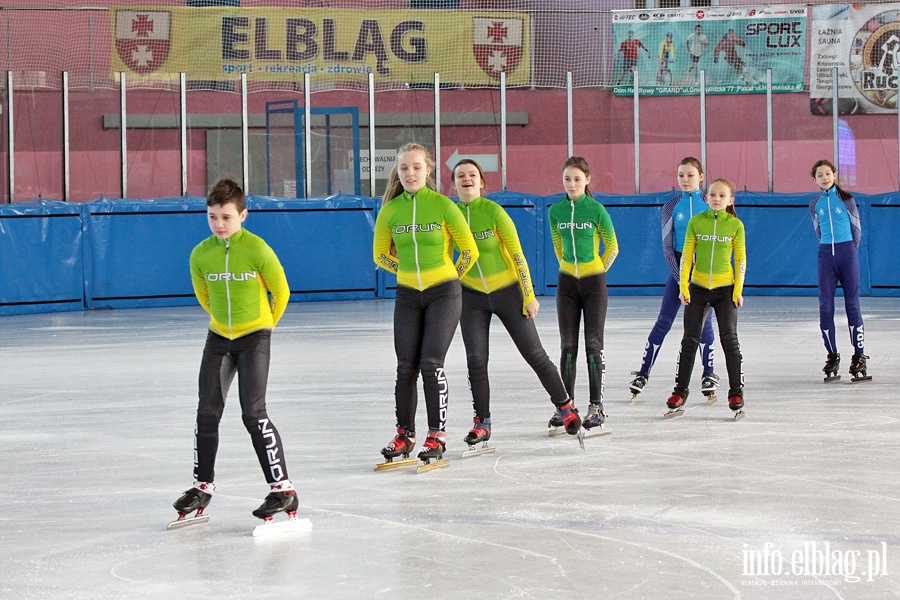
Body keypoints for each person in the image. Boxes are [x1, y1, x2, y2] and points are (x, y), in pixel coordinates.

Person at [173, 178, 298, 524]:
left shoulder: (257, 249)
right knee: (207, 413)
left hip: (255, 337)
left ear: (243, 215)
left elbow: (281, 291)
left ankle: (283, 489)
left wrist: (264, 327)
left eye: (226, 217)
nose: (219, 224)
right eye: (212, 216)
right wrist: (222, 323)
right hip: (218, 339)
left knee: (253, 414)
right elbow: (204, 295)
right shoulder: (201, 253)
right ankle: (202, 485)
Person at [452, 159, 581, 443]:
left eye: (472, 175)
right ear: (454, 183)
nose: (467, 179)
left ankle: (565, 406)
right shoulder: (450, 215)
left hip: (507, 291)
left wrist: (529, 295)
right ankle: (482, 422)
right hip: (470, 296)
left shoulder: (494, 212)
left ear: (482, 182)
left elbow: (518, 256)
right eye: (460, 175)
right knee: (476, 359)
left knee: (534, 354)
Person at [373, 143, 479, 463]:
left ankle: (437, 435)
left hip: (443, 293)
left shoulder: (444, 206)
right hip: (407, 295)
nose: (410, 173)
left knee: (430, 364)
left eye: (417, 167)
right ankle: (404, 434)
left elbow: (469, 252)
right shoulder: (390, 211)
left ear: (428, 170)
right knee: (405, 367)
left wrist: (451, 278)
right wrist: (404, 271)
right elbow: (381, 255)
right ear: (398, 172)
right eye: (404, 168)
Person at [629, 157, 718, 400]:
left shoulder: (711, 205)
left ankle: (709, 373)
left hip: (703, 275)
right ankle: (644, 372)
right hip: (679, 271)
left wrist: (702, 278)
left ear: (701, 177)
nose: (685, 180)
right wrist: (681, 280)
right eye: (681, 175)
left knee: (704, 324)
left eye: (690, 175)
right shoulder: (671, 207)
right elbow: (667, 247)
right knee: (663, 322)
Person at [548, 156, 618, 431]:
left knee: (592, 346)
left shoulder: (597, 210)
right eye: (567, 179)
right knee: (568, 347)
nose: (572, 184)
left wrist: (597, 270)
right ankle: (565, 407)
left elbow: (612, 247)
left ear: (587, 180)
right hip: (566, 284)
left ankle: (596, 405)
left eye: (577, 179)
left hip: (593, 285)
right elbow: (557, 244)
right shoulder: (556, 211)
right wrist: (568, 268)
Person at [667, 178, 746, 417]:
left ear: (730, 200)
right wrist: (684, 286)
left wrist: (738, 290)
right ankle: (680, 391)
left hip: (725, 289)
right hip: (698, 287)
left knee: (729, 339)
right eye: (712, 194)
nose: (716, 199)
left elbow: (740, 259)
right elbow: (686, 256)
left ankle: (736, 391)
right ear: (707, 197)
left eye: (722, 196)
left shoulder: (735, 226)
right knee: (689, 340)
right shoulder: (695, 222)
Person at [809, 159, 870, 382]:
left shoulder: (847, 200)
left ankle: (859, 355)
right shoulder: (815, 203)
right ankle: (832, 355)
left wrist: (848, 252)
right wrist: (829, 250)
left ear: (834, 175)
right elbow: (818, 230)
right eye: (819, 175)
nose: (824, 177)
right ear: (814, 179)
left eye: (827, 173)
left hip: (847, 253)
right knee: (825, 306)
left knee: (852, 304)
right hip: (825, 256)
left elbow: (857, 230)